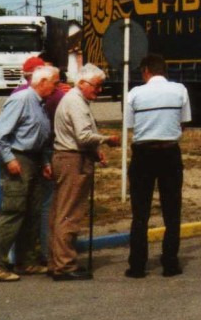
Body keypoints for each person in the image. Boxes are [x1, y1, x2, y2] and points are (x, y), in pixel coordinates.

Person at [0, 65, 59, 282]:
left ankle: (27, 261)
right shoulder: (22, 99)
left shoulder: (40, 104)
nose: (57, 86)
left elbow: (40, 135)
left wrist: (44, 161)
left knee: (32, 211)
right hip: (19, 158)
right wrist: (9, 159)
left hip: (33, 158)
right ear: (42, 82)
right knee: (13, 211)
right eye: (55, 82)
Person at [49, 64, 119, 281]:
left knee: (60, 211)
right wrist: (107, 139)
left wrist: (95, 151)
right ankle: (65, 265)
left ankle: (56, 261)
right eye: (96, 87)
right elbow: (83, 136)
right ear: (82, 83)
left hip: (68, 156)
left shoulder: (74, 100)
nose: (99, 91)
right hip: (73, 159)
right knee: (70, 213)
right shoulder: (76, 103)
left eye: (101, 87)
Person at [124, 53, 191, 278]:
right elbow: (183, 123)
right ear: (164, 71)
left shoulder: (134, 94)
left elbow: (130, 125)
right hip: (170, 153)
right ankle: (170, 263)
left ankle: (137, 265)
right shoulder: (180, 90)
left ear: (146, 71)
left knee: (140, 213)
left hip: (143, 155)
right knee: (172, 211)